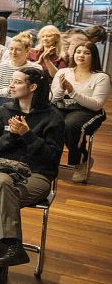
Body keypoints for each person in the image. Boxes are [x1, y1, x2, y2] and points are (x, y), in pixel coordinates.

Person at [0, 67, 63, 284]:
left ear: (33, 87)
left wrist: (27, 135)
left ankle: (2, 262)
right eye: (11, 81)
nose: (11, 85)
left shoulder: (52, 117)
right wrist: (11, 136)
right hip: (1, 170)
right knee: (2, 184)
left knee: (4, 198)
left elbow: (51, 159)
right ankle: (9, 249)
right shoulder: (2, 112)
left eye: (17, 82)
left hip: (37, 174)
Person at [50, 41, 110, 182]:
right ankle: (48, 160)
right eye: (78, 52)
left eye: (86, 53)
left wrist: (72, 91)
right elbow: (52, 99)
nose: (81, 55)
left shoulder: (101, 77)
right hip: (61, 105)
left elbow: (96, 104)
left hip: (87, 110)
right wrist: (61, 88)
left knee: (70, 125)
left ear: (94, 56)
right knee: (49, 121)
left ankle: (81, 162)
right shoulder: (63, 72)